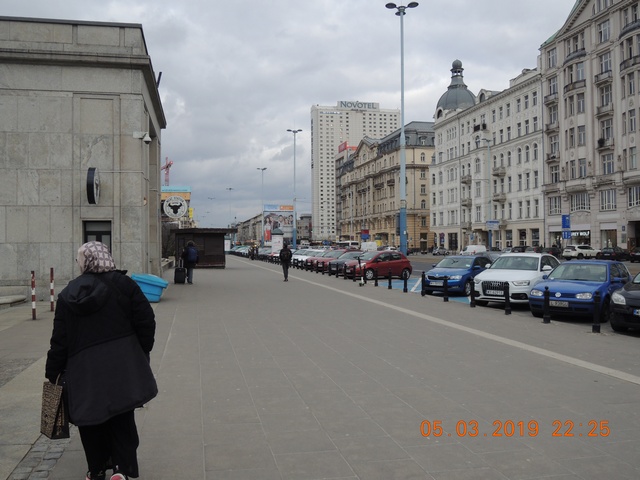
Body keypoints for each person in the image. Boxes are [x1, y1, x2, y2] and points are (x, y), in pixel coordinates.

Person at [45, 241, 157, 480]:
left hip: (83, 369)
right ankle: (121, 469)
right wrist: (141, 351)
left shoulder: (68, 294)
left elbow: (60, 340)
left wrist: (52, 371)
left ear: (84, 262)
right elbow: (146, 321)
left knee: (90, 419)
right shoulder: (124, 285)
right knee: (122, 415)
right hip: (121, 364)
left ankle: (95, 470)